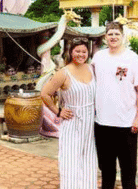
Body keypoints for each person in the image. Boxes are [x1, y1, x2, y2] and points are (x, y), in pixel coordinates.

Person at [92, 21, 138, 189]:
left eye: (117, 34)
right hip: (102, 123)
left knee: (128, 172)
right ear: (105, 37)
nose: (113, 37)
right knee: (107, 171)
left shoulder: (133, 59)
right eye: (110, 34)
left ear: (123, 36)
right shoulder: (98, 57)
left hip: (126, 124)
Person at [40, 37, 97, 189]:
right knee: (70, 161)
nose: (81, 54)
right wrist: (58, 111)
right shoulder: (63, 73)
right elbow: (45, 93)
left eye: (84, 51)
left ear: (88, 52)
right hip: (72, 122)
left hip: (90, 123)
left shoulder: (92, 69)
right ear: (71, 52)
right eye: (77, 51)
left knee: (89, 161)